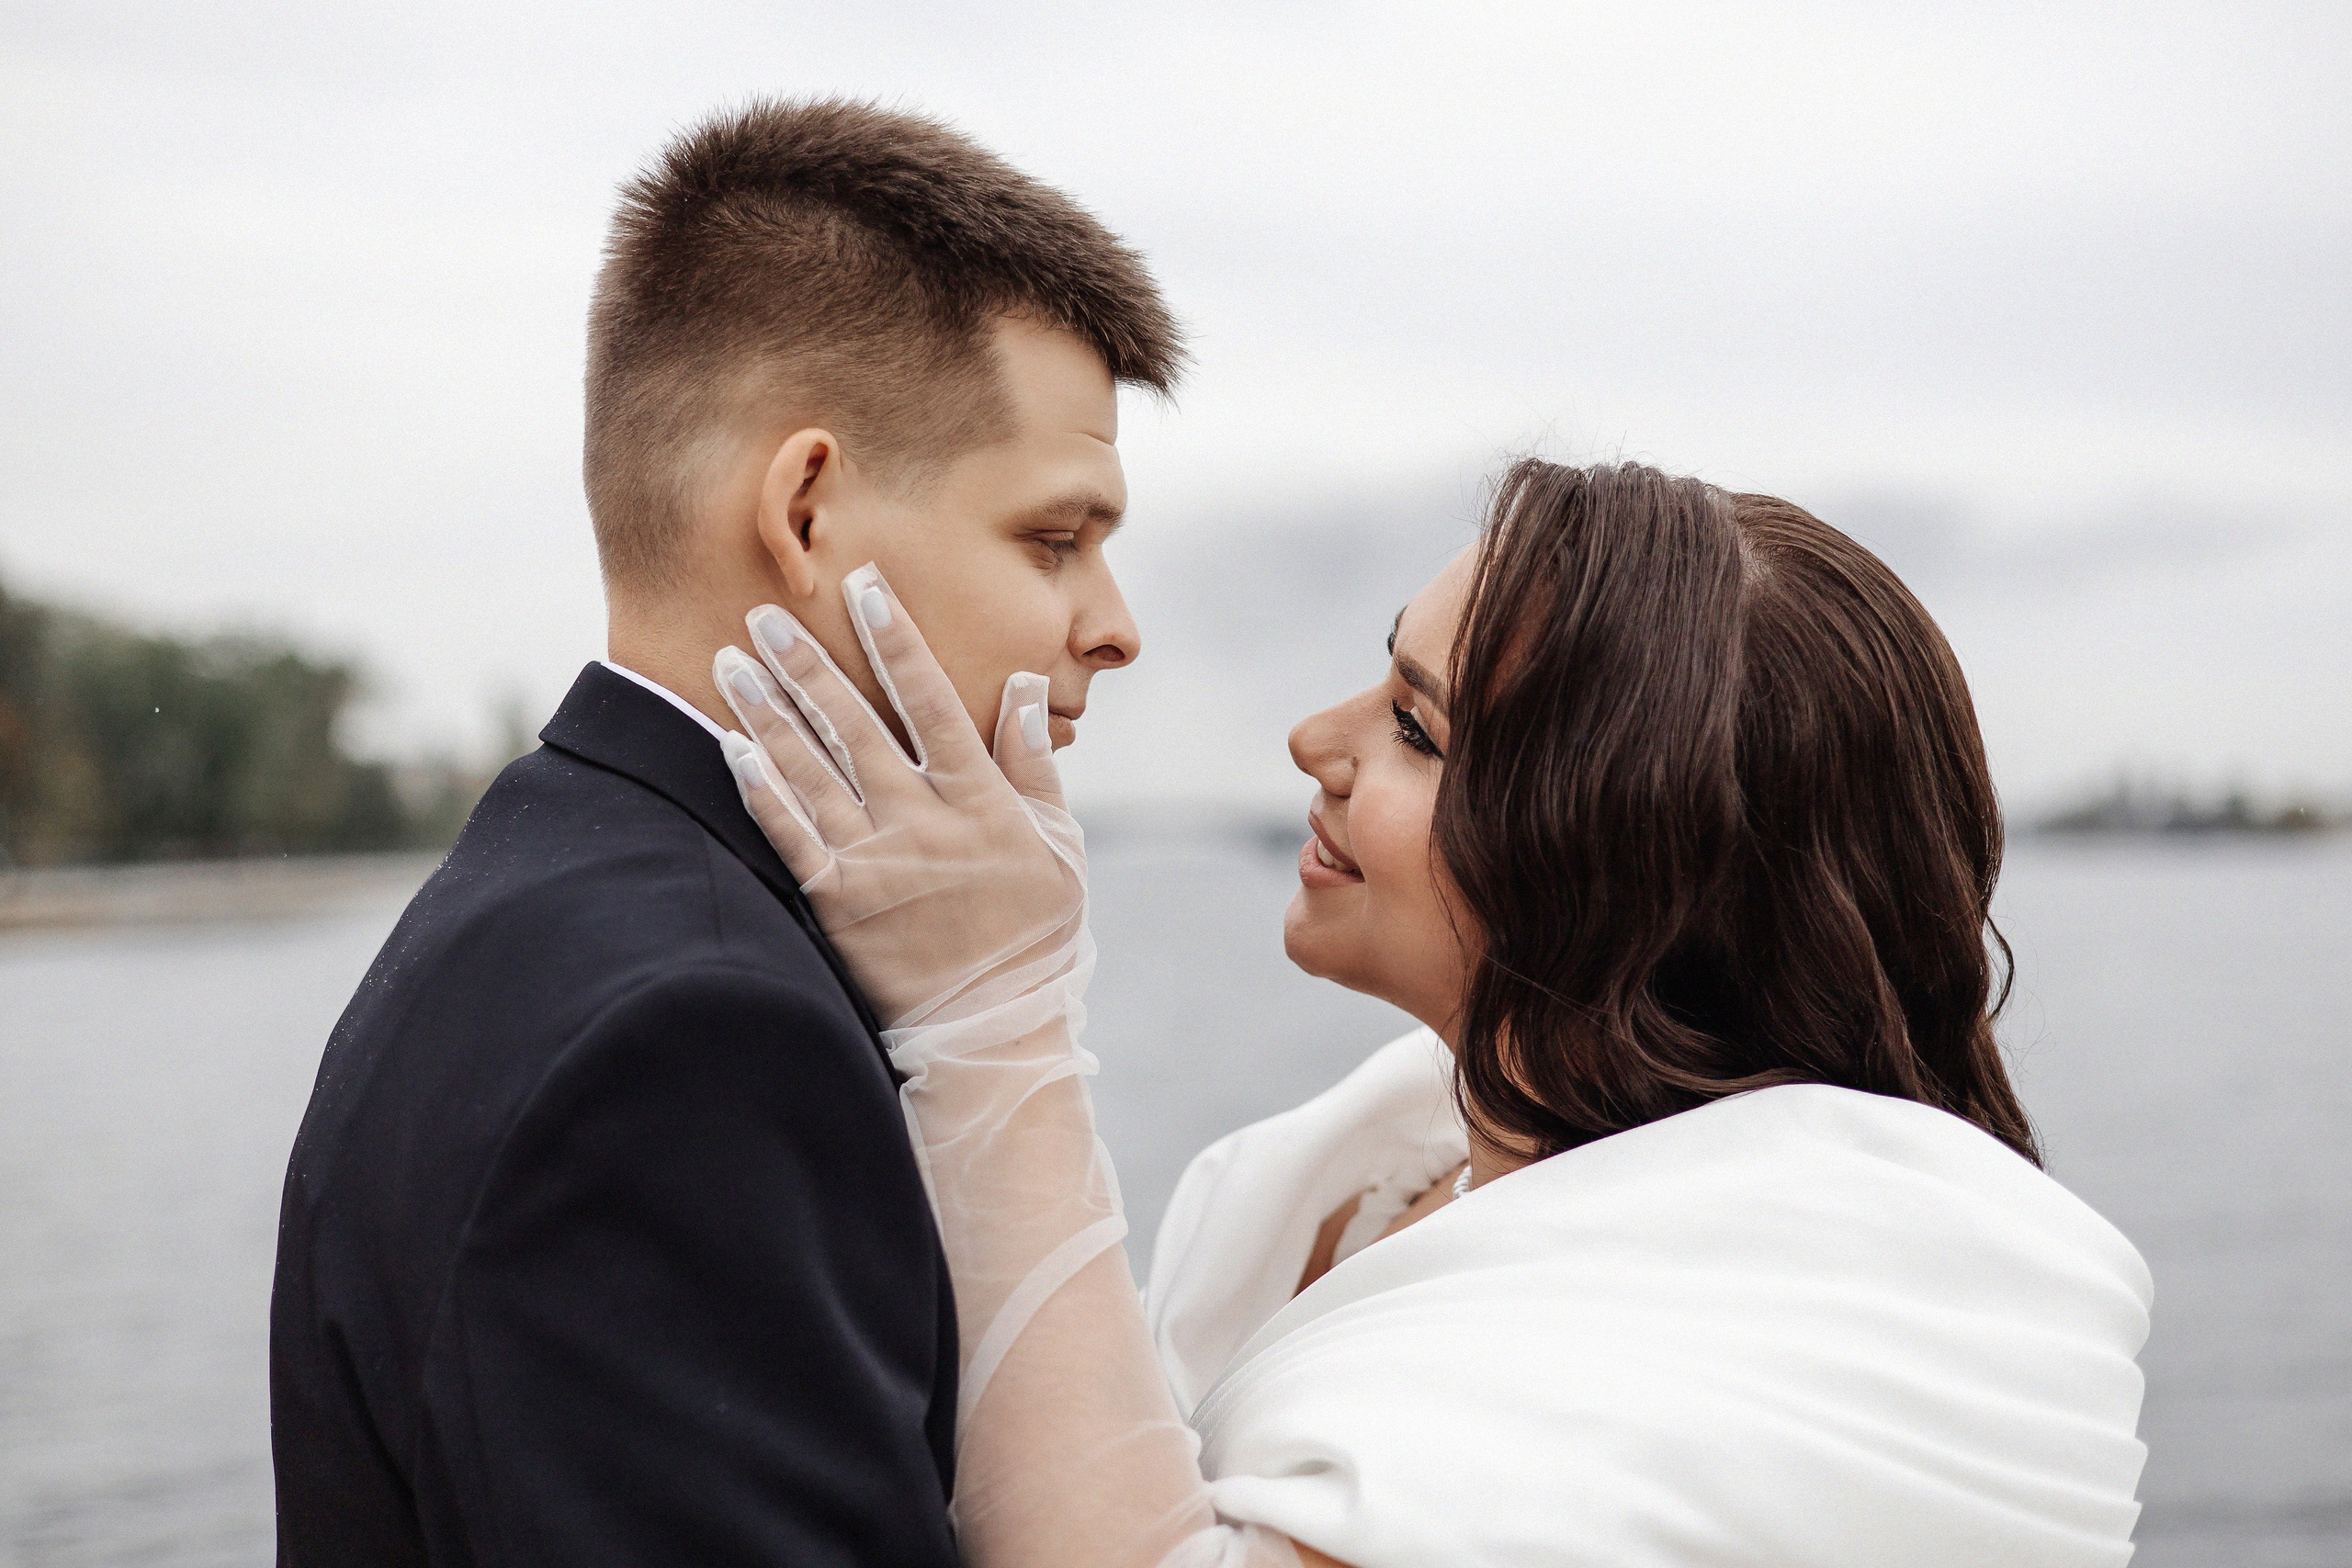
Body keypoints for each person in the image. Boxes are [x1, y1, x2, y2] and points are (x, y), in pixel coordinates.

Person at [723, 460, 2154, 1566]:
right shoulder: (1384, 1166)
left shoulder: (1779, 1349)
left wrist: (997, 1022)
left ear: (1621, 873)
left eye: (1416, 728)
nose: (1314, 742)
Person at [267, 97, 1180, 1564]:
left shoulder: (548, 892)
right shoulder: (691, 1035)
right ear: (809, 512)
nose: (1114, 629)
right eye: (1057, 539)